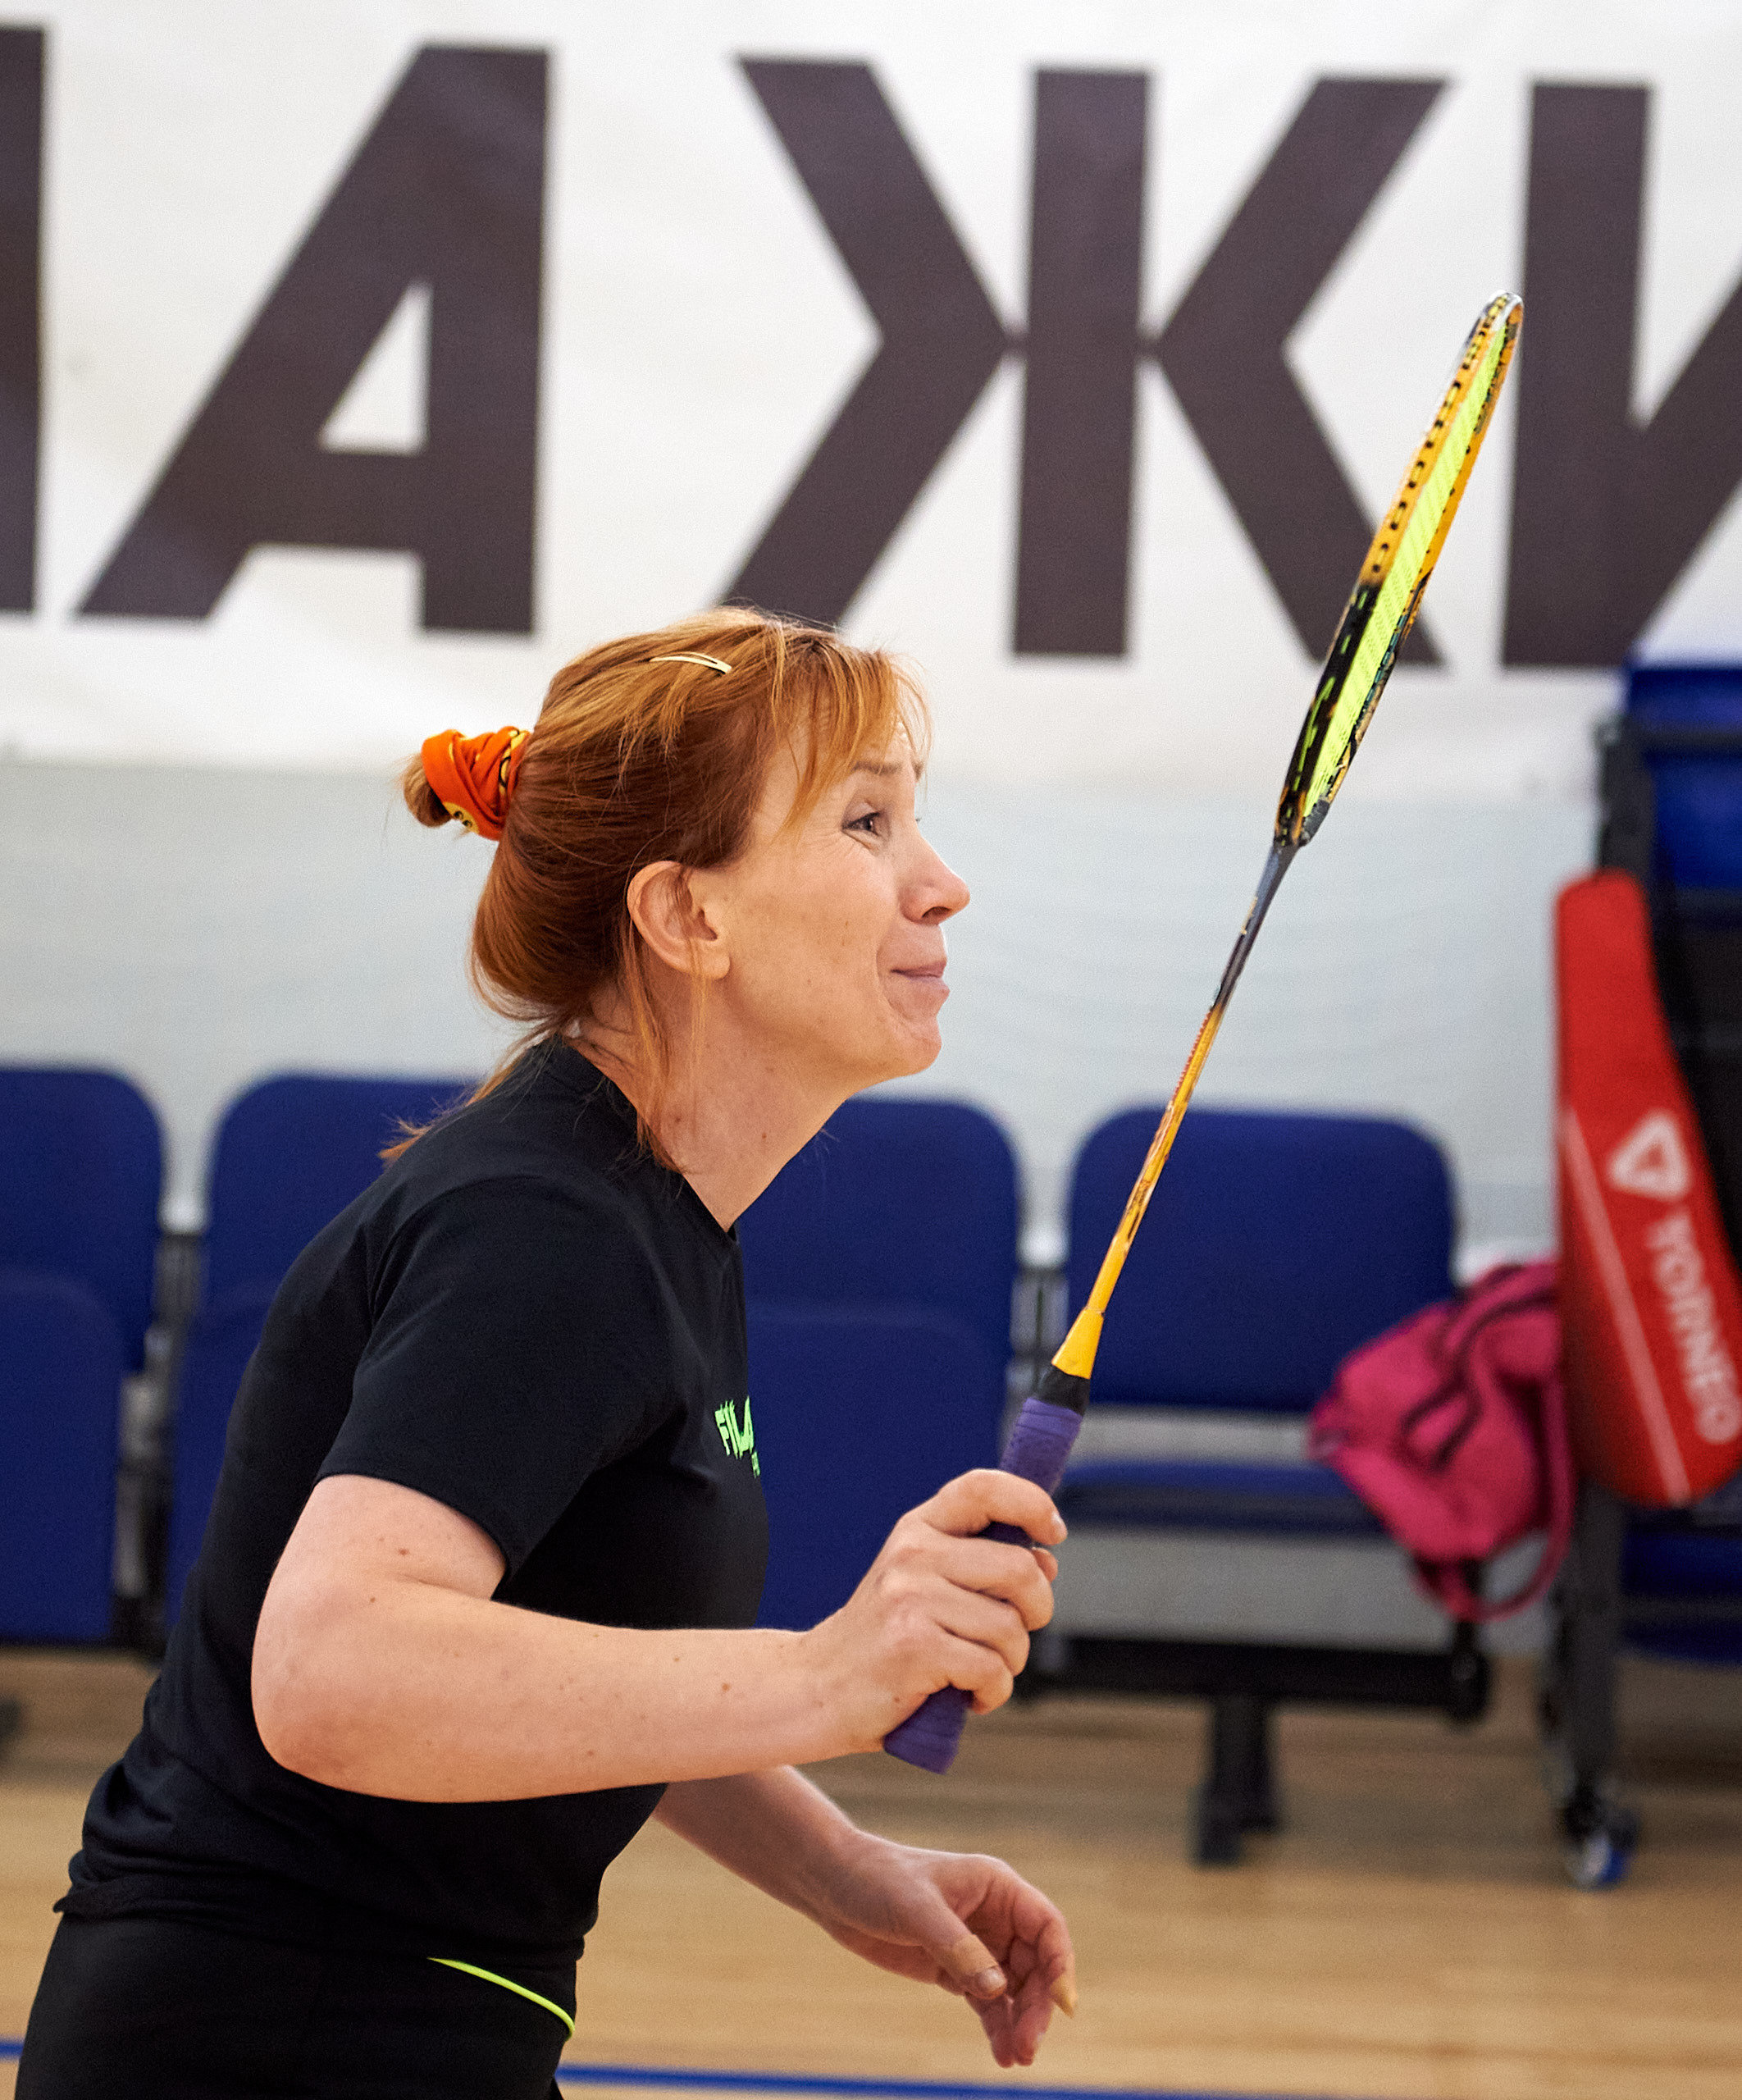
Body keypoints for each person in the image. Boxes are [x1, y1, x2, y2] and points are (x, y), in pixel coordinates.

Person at [20, 609, 1075, 2100]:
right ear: (686, 919)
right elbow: (332, 1671)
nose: (942, 884)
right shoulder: (548, 1228)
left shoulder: (643, 1217)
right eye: (866, 822)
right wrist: (830, 1673)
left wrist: (836, 1865)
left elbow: (563, 1652)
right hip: (276, 2036)